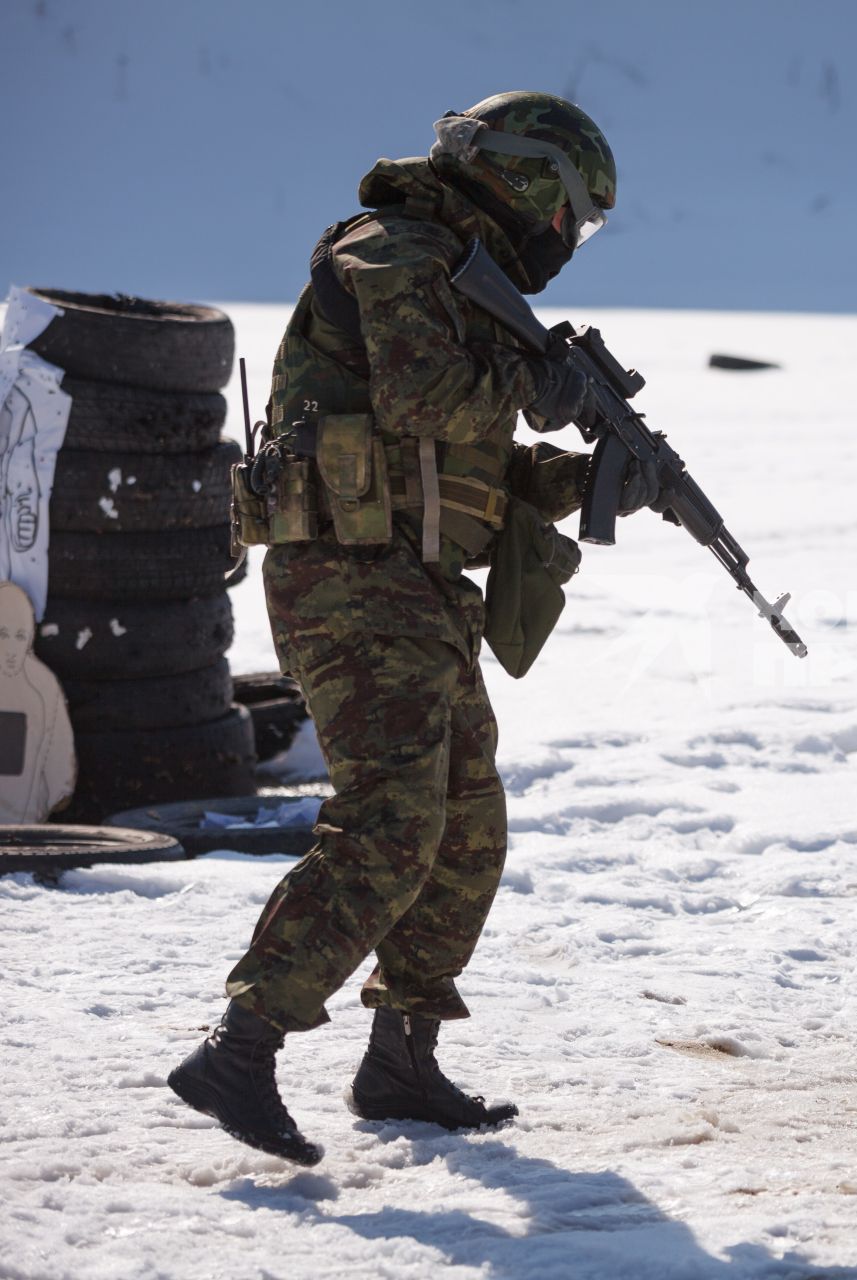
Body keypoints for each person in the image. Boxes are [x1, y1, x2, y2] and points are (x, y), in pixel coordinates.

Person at [169, 91, 650, 1166]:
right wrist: (546, 379)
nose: (569, 241)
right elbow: (428, 399)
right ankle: (239, 1048)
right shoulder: (392, 250)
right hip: (347, 577)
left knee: (467, 821)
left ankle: (400, 1058)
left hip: (417, 587)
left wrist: (606, 475)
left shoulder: (459, 286)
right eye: (572, 215)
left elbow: (471, 469)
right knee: (389, 824)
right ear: (531, 186)